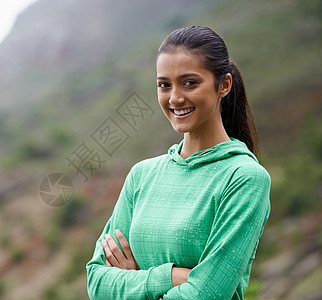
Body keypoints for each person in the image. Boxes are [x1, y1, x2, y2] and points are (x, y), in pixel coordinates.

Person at [86, 25, 271, 300]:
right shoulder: (142, 176)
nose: (175, 98)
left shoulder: (244, 178)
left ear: (224, 85)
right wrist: (171, 277)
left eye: (190, 83)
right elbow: (97, 282)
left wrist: (133, 280)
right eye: (164, 85)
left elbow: (207, 294)